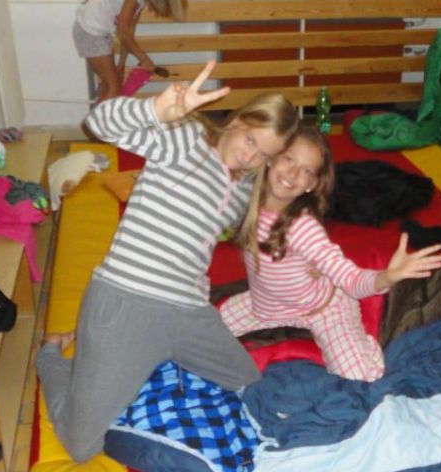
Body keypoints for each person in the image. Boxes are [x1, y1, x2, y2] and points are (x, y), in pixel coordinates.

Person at [36, 61, 299, 462]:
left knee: (252, 389)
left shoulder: (244, 189)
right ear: (236, 121)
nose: (249, 156)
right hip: (128, 301)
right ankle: (51, 354)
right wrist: (156, 111)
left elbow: (257, 229)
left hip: (190, 315)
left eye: (263, 155)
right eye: (249, 140)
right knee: (81, 443)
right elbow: (98, 122)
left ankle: (128, 369)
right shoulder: (187, 140)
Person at [220, 125, 441, 382]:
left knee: (359, 377)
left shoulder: (303, 228)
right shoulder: (247, 199)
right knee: (203, 333)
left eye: (306, 171)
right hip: (264, 306)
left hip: (322, 308)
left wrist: (388, 276)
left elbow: (350, 279)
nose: (293, 173)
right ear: (271, 157)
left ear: (312, 184)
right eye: (289, 159)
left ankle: (363, 344)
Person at [72, 0, 187, 102]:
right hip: (90, 32)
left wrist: (121, 66)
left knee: (110, 83)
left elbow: (128, 32)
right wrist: (144, 59)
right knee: (113, 86)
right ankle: (103, 117)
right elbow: (123, 32)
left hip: (96, 32)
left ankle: (101, 116)